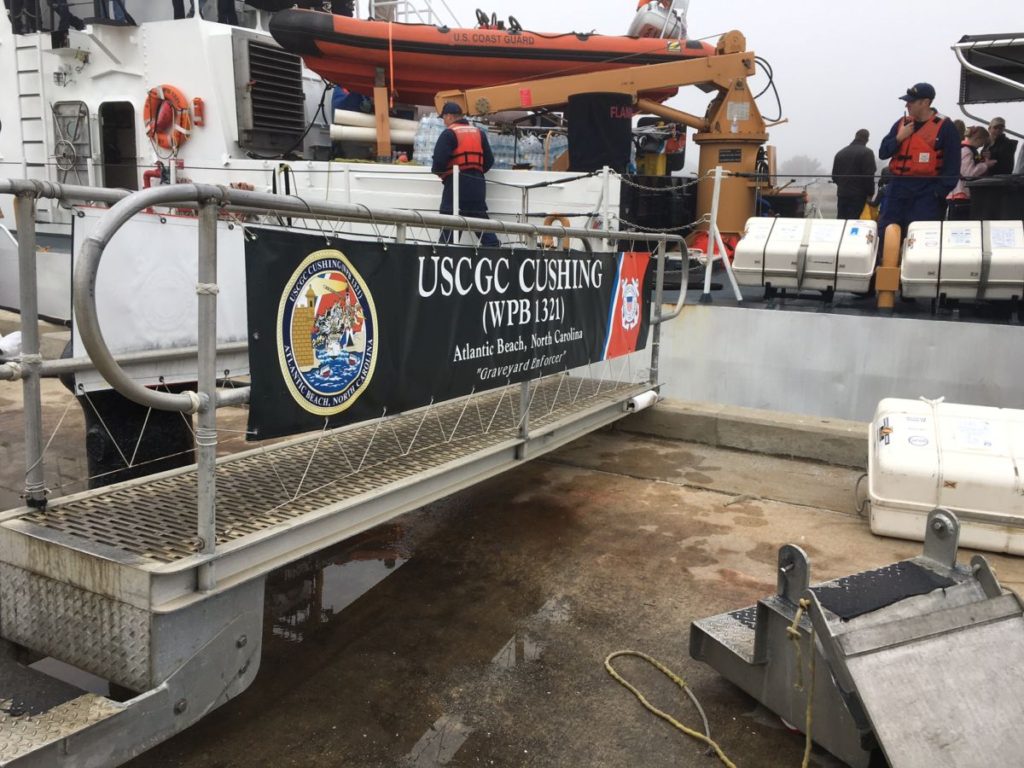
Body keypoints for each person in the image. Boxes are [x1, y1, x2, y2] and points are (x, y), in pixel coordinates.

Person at [877, 82, 960, 244]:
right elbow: (883, 152)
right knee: (886, 234)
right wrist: (899, 138)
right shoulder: (901, 124)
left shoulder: (946, 128)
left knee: (921, 239)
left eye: (912, 101)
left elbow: (952, 166)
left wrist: (938, 193)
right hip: (897, 189)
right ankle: (883, 267)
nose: (907, 104)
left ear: (926, 102)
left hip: (926, 192)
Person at [431, 102, 500, 247]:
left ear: (449, 116)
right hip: (477, 184)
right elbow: (489, 160)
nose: (444, 121)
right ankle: (495, 250)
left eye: (443, 117)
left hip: (456, 184)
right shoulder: (479, 133)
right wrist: (475, 172)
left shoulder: (449, 133)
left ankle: (445, 257)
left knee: (449, 224)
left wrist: (445, 176)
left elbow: (438, 162)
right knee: (480, 221)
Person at [946, 126, 996, 220]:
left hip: (957, 194)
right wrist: (985, 165)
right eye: (982, 143)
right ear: (978, 139)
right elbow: (968, 173)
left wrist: (983, 159)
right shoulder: (967, 151)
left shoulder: (961, 149)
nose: (981, 146)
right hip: (960, 194)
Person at [831, 128, 876, 219]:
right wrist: (870, 193)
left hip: (842, 193)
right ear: (867, 139)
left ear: (855, 136)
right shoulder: (867, 153)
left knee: (841, 220)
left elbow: (834, 176)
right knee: (854, 221)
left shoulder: (840, 153)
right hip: (858, 195)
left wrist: (843, 185)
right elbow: (869, 176)